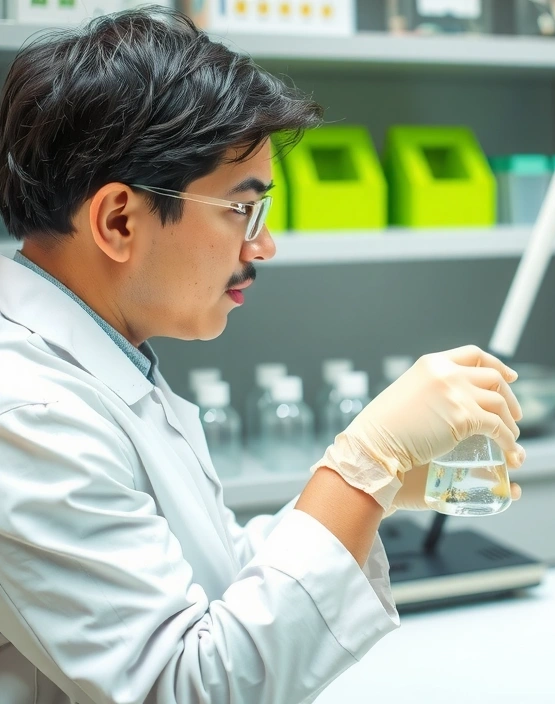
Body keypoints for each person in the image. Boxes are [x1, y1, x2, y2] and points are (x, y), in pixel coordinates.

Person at [0, 9, 525, 703]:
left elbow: (218, 580)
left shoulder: (100, 363)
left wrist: (377, 490)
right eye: (241, 211)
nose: (263, 246)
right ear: (119, 220)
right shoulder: (29, 412)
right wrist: (362, 465)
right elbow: (188, 687)